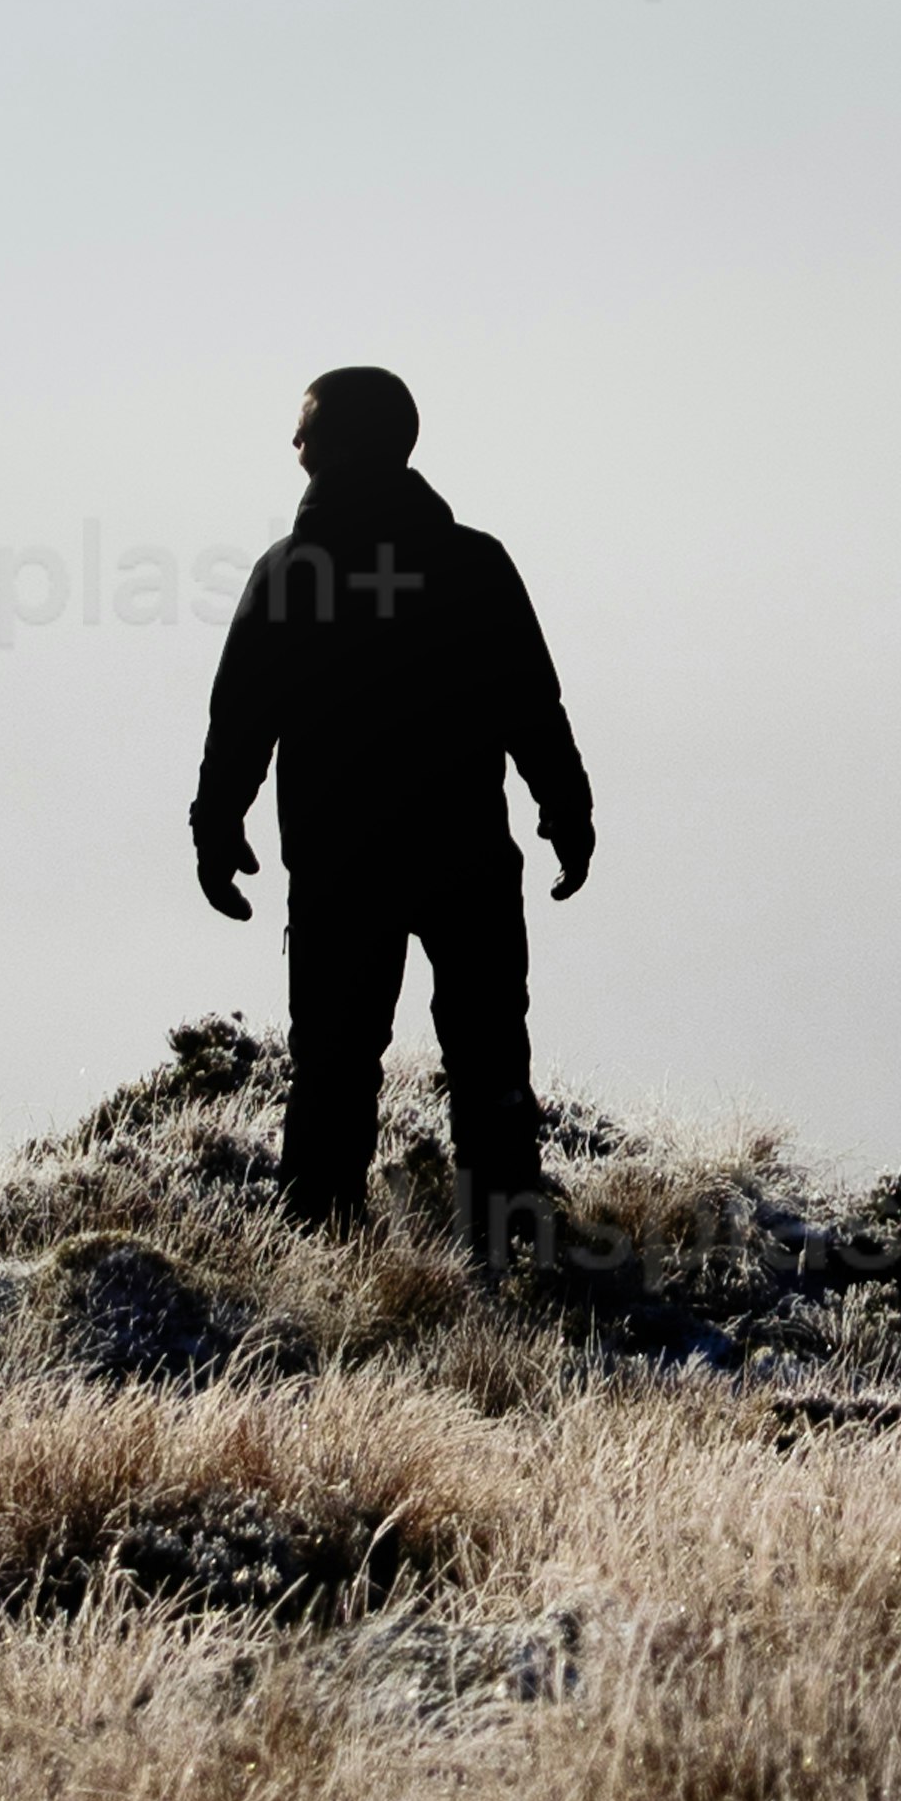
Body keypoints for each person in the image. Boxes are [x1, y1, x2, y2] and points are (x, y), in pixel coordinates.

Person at [187, 361, 592, 1253]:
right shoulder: (472, 562)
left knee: (332, 1067)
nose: (293, 443)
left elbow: (241, 714)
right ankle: (509, 1249)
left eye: (306, 429)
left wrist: (217, 826)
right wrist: (566, 807)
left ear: (335, 445)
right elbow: (532, 701)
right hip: (468, 859)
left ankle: (321, 1250)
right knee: (490, 1060)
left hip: (341, 866)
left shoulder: (291, 571)